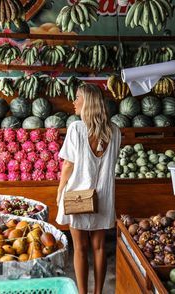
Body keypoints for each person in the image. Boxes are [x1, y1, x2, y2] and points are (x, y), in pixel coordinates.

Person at [56, 83, 121, 294]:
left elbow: (68, 164)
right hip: (103, 196)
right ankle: (98, 293)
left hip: (78, 195)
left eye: (77, 98)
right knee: (100, 247)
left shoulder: (76, 128)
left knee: (80, 248)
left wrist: (60, 189)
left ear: (88, 102)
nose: (74, 102)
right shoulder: (115, 131)